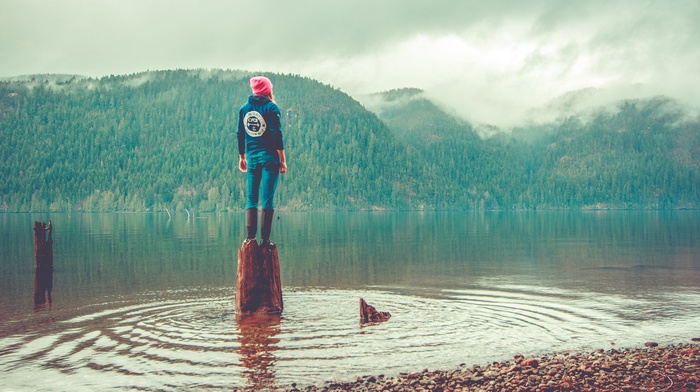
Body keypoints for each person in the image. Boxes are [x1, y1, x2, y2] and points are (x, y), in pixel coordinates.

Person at [237, 76, 287, 248]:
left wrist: (242, 157)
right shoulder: (271, 108)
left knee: (251, 197)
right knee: (267, 198)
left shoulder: (244, 109)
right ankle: (265, 241)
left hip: (252, 158)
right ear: (267, 90)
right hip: (269, 159)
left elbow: (240, 134)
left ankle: (250, 239)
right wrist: (282, 159)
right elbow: (276, 134)